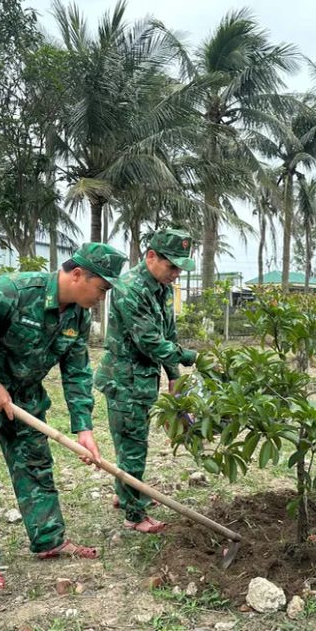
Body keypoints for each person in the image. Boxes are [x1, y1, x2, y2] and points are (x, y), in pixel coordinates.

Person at [0, 243, 128, 591]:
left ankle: (49, 539)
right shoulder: (12, 292)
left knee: (35, 467)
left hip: (25, 400)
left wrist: (83, 428)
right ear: (77, 275)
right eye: (102, 287)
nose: (103, 297)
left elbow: (76, 373)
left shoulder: (77, 315)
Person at [94, 228, 198, 534]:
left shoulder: (161, 287)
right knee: (133, 447)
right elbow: (151, 342)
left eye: (180, 268)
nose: (176, 274)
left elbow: (169, 335)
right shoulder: (131, 289)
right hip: (124, 382)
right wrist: (191, 358)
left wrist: (174, 377)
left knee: (132, 444)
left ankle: (125, 493)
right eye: (172, 266)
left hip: (143, 380)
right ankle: (134, 515)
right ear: (151, 256)